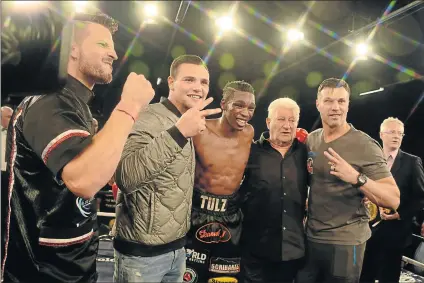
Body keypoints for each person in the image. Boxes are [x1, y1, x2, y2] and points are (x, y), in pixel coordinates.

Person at [1, 12, 155, 282]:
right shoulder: (50, 101)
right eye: (103, 44)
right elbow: (83, 180)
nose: (115, 54)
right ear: (72, 49)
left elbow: (96, 179)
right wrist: (130, 105)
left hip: (74, 262)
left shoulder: (76, 104)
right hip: (41, 272)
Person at [113, 54, 222, 283]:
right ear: (171, 82)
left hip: (177, 250)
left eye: (204, 82)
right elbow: (126, 177)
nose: (198, 88)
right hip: (141, 256)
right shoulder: (148, 116)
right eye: (189, 80)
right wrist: (178, 132)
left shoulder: (190, 120)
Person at [296, 78, 400, 283]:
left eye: (341, 101)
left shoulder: (365, 145)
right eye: (329, 101)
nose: (335, 107)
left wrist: (357, 178)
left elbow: (393, 199)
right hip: (311, 238)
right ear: (318, 104)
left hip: (346, 242)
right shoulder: (312, 140)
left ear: (348, 105)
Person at [184, 80, 256, 283]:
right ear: (224, 104)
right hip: (196, 214)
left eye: (251, 108)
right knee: (190, 276)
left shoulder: (249, 133)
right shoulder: (200, 130)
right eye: (239, 105)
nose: (245, 112)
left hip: (231, 217)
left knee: (226, 279)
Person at [239, 98, 309, 283]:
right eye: (281, 119)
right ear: (269, 122)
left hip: (293, 251)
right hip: (255, 250)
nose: (287, 126)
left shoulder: (306, 153)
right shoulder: (250, 151)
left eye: (292, 120)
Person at [360, 117, 424, 283]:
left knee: (388, 278)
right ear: (381, 134)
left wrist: (399, 214)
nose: (396, 136)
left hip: (395, 235)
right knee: (363, 276)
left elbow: (420, 198)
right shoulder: (369, 160)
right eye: (392, 132)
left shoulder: (412, 162)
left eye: (400, 133)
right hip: (366, 232)